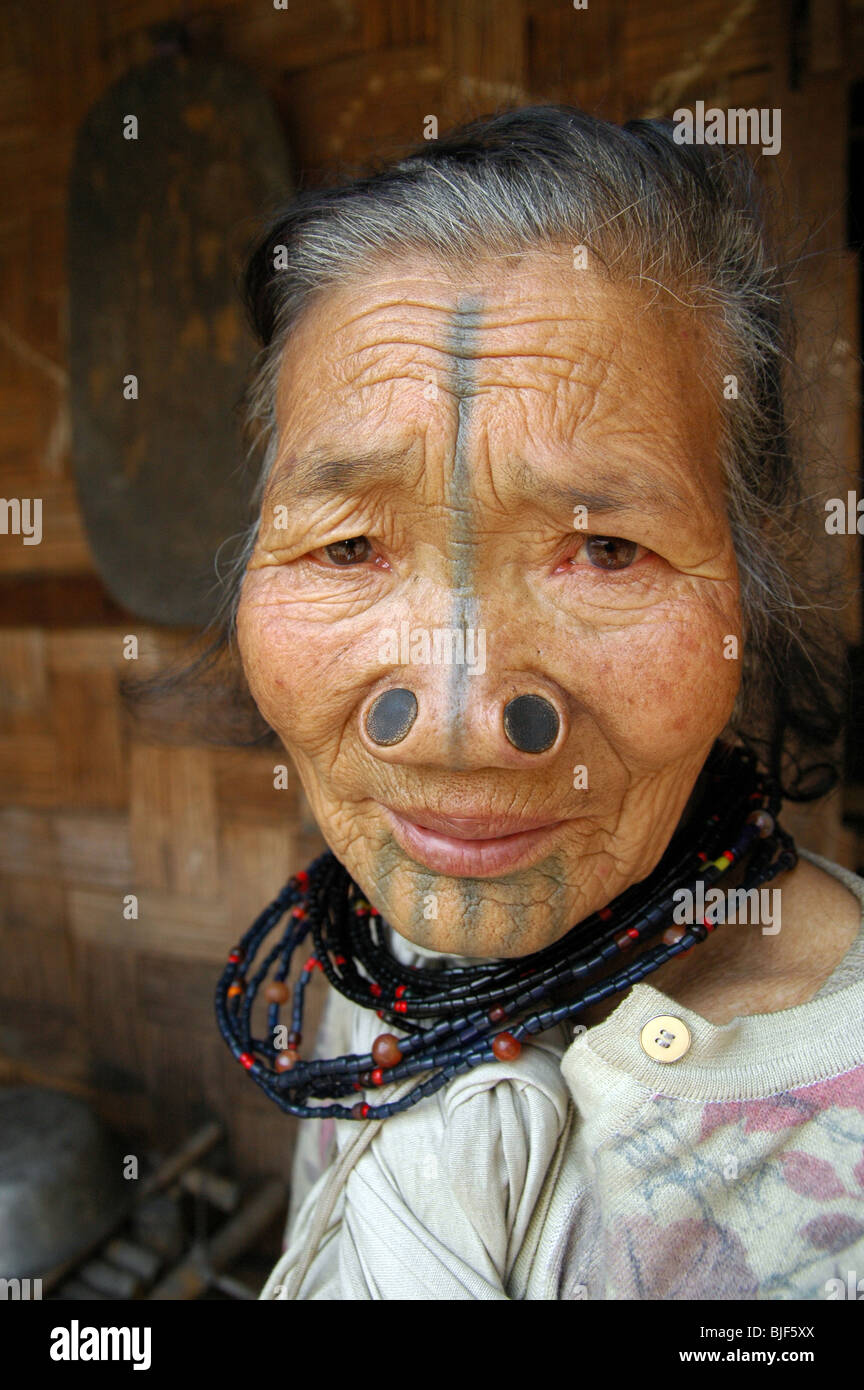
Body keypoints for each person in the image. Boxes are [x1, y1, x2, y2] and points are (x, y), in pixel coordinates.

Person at [214, 105, 864, 1299]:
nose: (459, 717)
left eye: (607, 550)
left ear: (748, 590)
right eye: (350, 545)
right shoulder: (377, 963)